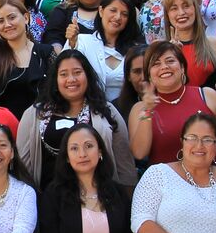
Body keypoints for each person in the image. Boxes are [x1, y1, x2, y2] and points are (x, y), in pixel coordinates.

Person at [17, 49, 135, 191]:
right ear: (55, 79)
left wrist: (127, 200)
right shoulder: (34, 114)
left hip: (98, 201)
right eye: (64, 74)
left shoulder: (107, 111)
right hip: (48, 202)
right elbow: (23, 167)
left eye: (77, 72)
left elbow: (124, 161)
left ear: (87, 76)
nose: (71, 79)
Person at [128, 41, 216, 168]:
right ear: (149, 75)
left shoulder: (208, 96)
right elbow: (139, 153)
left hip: (213, 181)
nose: (164, 67)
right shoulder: (140, 109)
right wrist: (148, 111)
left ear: (182, 67)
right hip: (167, 185)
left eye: (170, 61)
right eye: (156, 64)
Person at [0, 0, 56, 119]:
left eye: (12, 17)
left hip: (39, 127)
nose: (7, 24)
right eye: (1, 21)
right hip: (3, 130)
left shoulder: (46, 53)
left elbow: (57, 92)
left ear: (26, 18)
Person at [71, 0, 142, 101]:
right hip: (90, 111)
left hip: (126, 112)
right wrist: (71, 43)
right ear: (101, 11)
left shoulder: (136, 49)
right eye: (113, 10)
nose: (118, 17)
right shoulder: (82, 41)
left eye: (124, 14)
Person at [164, 0, 216, 88]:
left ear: (195, 9)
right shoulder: (161, 49)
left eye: (186, 6)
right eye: (174, 8)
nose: (181, 12)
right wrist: (172, 53)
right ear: (167, 15)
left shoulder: (214, 44)